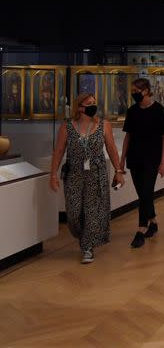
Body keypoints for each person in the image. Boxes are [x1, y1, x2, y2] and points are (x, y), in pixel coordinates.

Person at [49, 92, 124, 264]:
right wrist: (53, 174)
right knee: (74, 212)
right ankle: (82, 236)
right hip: (74, 172)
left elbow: (112, 149)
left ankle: (87, 246)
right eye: (89, 103)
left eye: (94, 102)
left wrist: (119, 171)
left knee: (92, 210)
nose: (93, 106)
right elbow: (59, 151)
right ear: (80, 107)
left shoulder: (104, 125)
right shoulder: (67, 127)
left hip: (96, 173)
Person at [120, 78, 164, 248]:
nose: (134, 94)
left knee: (146, 191)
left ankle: (141, 229)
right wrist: (121, 159)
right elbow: (128, 136)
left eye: (137, 91)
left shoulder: (159, 111)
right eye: (132, 92)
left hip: (152, 159)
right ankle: (154, 222)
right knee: (143, 193)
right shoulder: (132, 111)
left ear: (147, 90)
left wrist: (163, 162)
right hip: (134, 158)